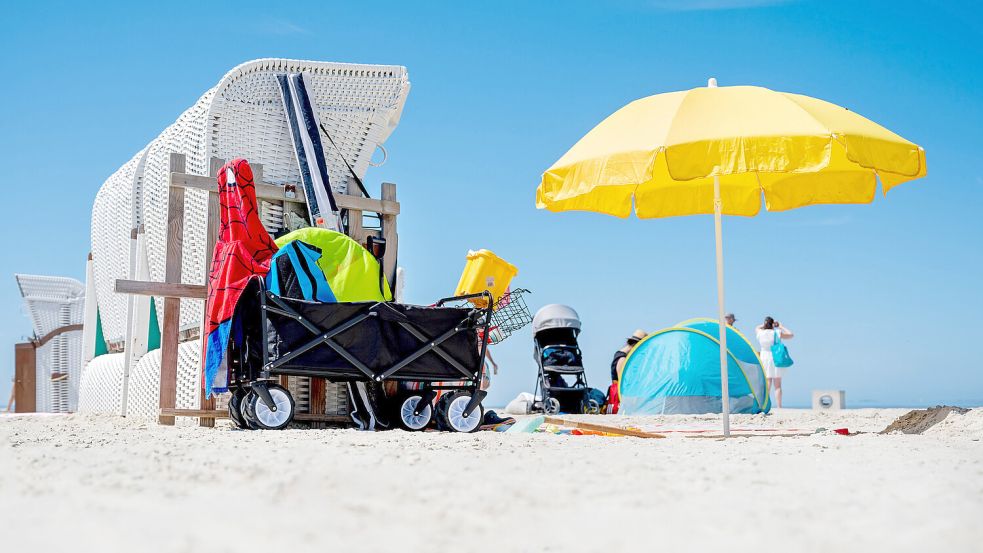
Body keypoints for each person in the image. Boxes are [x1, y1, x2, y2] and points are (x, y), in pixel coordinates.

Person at [755, 316, 794, 408]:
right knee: (778, 385)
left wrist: (766, 324)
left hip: (764, 358)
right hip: (776, 358)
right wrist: (780, 326)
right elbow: (791, 335)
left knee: (767, 382)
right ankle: (779, 406)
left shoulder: (760, 332)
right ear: (773, 324)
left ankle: (765, 404)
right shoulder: (776, 332)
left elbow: (757, 327)